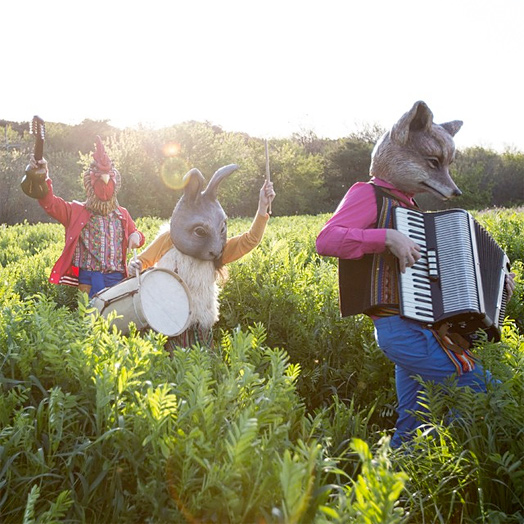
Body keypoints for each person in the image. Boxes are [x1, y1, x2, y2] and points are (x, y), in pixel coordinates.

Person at [316, 101, 516, 448]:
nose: (449, 184)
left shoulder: (411, 209)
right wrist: (386, 237)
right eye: (434, 165)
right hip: (398, 329)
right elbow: (326, 240)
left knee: (413, 420)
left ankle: (399, 482)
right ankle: (466, 456)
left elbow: (447, 280)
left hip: (424, 329)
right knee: (482, 390)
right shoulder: (369, 194)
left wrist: (497, 287)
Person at [129, 179, 276, 351]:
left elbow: (250, 240)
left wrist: (262, 207)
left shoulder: (216, 249)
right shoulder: (169, 239)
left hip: (200, 326)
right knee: (170, 371)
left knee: (202, 373)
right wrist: (135, 265)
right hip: (167, 322)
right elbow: (142, 261)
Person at [26, 136, 145, 298]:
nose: (105, 179)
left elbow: (138, 235)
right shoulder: (77, 211)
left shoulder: (122, 214)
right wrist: (43, 175)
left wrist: (135, 235)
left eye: (108, 175)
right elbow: (50, 203)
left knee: (117, 320)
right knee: (91, 318)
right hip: (89, 279)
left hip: (117, 278)